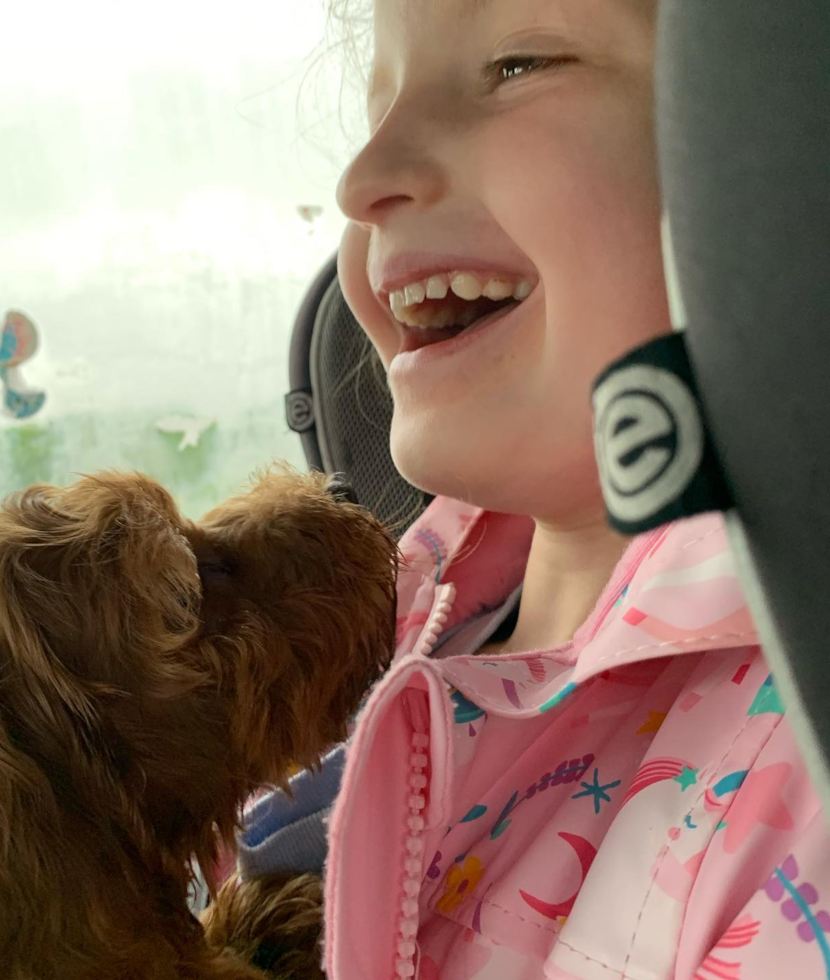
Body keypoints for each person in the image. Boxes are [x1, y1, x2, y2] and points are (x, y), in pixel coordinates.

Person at [239, 0, 830, 977]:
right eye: (374, 103)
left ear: (771, 126)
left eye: (517, 65)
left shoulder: (797, 781)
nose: (361, 178)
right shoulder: (386, 607)